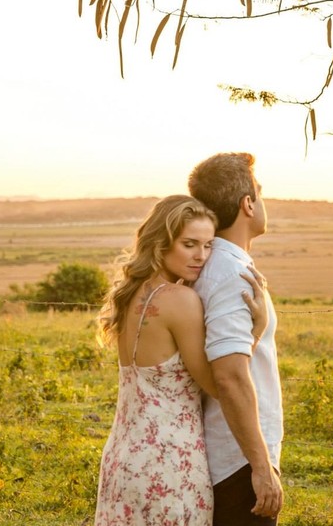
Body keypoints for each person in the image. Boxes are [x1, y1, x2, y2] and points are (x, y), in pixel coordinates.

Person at [95, 195, 267, 526]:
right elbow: (218, 383)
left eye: (207, 246)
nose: (200, 256)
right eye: (189, 244)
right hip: (169, 463)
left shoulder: (130, 294)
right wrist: (255, 332)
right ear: (161, 243)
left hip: (122, 457)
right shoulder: (181, 301)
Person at [188, 152, 284, 525]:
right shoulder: (229, 274)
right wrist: (260, 467)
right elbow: (228, 375)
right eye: (259, 193)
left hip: (237, 453)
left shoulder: (224, 266)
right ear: (248, 204)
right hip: (237, 460)